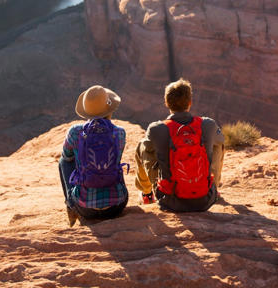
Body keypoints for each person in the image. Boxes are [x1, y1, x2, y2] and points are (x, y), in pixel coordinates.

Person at [134, 78, 225, 212]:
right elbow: (221, 140)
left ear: (166, 103)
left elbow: (148, 149)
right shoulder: (208, 124)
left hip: (169, 201)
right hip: (205, 200)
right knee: (218, 144)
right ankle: (213, 188)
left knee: (143, 146)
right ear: (190, 102)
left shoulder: (156, 129)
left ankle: (147, 194)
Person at [58, 85, 128, 226]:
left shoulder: (75, 132)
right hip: (116, 206)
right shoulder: (119, 133)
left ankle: (71, 206)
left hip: (85, 208)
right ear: (110, 109)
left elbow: (66, 157)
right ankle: (112, 193)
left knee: (64, 161)